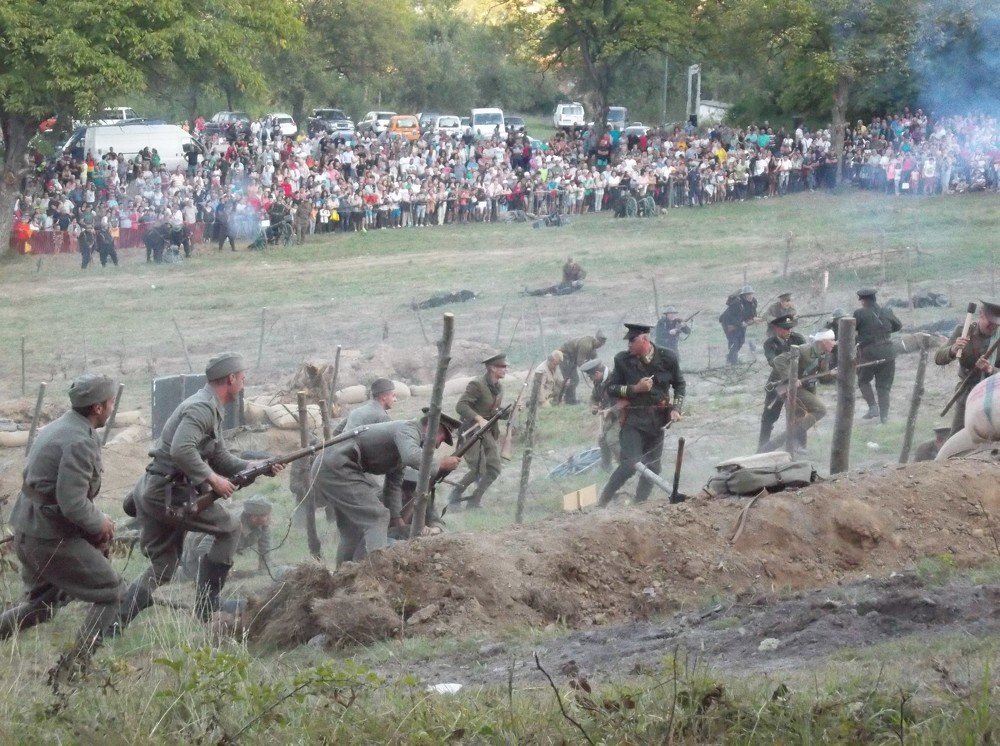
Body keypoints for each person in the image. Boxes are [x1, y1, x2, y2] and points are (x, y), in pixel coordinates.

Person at [117, 353, 284, 628]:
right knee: (230, 528)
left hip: (160, 490)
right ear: (230, 379)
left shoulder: (210, 407)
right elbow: (181, 449)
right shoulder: (202, 408)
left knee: (164, 567)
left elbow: (221, 458)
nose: (244, 382)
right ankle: (207, 607)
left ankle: (114, 623)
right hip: (170, 493)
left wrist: (258, 465)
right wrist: (213, 480)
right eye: (242, 378)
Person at [0, 375, 122, 658]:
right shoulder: (79, 440)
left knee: (42, 607)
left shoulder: (60, 427)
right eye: (110, 402)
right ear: (98, 408)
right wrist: (100, 522)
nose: (113, 406)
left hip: (29, 531)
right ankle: (75, 668)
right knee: (112, 590)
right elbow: (73, 503)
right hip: (49, 538)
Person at [309, 413, 461, 565]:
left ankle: (342, 575)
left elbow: (393, 485)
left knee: (351, 531)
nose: (439, 444)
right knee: (378, 516)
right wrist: (439, 464)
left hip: (331, 466)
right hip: (336, 466)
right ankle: (379, 571)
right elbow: (411, 457)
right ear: (430, 426)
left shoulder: (403, 444)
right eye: (442, 436)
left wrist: (398, 521)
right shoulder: (407, 429)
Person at [598, 323, 685, 506]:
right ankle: (603, 501)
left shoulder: (668, 357)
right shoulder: (622, 360)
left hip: (658, 421)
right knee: (630, 465)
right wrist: (635, 388)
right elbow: (611, 388)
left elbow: (679, 384)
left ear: (645, 339)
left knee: (653, 467)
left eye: (632, 340)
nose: (628, 345)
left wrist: (676, 408)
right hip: (634, 422)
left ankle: (640, 504)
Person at [448, 353, 512, 509]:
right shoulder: (477, 385)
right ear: (492, 368)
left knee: (494, 469)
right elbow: (461, 406)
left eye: (505, 366)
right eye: (502, 367)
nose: (505, 369)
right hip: (471, 432)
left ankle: (474, 500)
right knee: (479, 469)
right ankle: (455, 494)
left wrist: (509, 412)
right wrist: (478, 418)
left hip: (487, 432)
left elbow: (493, 412)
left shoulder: (498, 387)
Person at [759, 329, 837, 451]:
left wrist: (832, 374)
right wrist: (791, 378)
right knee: (820, 410)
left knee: (798, 418)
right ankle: (778, 443)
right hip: (788, 387)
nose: (834, 343)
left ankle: (784, 445)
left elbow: (822, 378)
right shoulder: (804, 350)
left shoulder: (825, 355)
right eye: (832, 340)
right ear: (823, 341)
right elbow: (778, 360)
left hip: (804, 388)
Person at [933, 300, 1000, 434]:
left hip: (995, 395)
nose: (993, 326)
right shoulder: (964, 331)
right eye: (990, 322)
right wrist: (953, 349)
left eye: (996, 323)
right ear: (981, 315)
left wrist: (991, 370)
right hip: (968, 393)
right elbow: (938, 358)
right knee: (956, 437)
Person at [180, 497, 273, 578]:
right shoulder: (231, 525)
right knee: (190, 575)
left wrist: (265, 571)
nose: (269, 517)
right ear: (253, 517)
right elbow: (203, 548)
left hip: (215, 551)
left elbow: (265, 548)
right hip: (196, 547)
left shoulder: (263, 525)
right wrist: (218, 570)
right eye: (266, 515)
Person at [758, 314, 807, 451]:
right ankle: (762, 446)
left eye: (790, 328)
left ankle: (800, 444)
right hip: (777, 381)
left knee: (798, 413)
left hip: (796, 380)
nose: (789, 331)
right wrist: (787, 373)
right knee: (768, 417)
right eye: (785, 329)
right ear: (776, 329)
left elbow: (805, 355)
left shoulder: (797, 338)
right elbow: (773, 361)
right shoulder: (770, 343)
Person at [853, 288, 902, 423]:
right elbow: (898, 326)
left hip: (869, 353)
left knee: (863, 380)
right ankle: (884, 417)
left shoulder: (859, 313)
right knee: (883, 386)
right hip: (888, 351)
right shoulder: (886, 311)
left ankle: (873, 407)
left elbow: (850, 330)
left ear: (863, 300)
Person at [581, 358, 619, 470]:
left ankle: (627, 466)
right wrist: (594, 406)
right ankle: (606, 468)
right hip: (611, 416)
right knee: (602, 440)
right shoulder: (598, 381)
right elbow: (594, 397)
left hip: (625, 415)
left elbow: (628, 402)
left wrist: (610, 410)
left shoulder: (616, 379)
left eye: (591, 376)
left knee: (612, 440)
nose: (590, 379)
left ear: (597, 373)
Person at [558, 331, 607, 404]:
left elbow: (596, 361)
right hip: (564, 356)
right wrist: (591, 373)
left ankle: (566, 399)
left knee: (572, 379)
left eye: (602, 345)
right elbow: (580, 363)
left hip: (571, 359)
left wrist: (604, 370)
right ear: (597, 340)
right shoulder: (586, 345)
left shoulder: (592, 346)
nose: (600, 346)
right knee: (572, 379)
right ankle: (567, 400)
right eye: (600, 344)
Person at [719, 285, 759, 365]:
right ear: (744, 295)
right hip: (728, 323)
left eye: (751, 294)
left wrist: (754, 319)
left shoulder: (754, 302)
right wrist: (740, 324)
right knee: (734, 342)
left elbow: (753, 313)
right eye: (748, 294)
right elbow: (730, 316)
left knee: (741, 341)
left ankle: (729, 357)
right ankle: (734, 364)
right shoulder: (737, 303)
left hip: (742, 323)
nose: (750, 296)